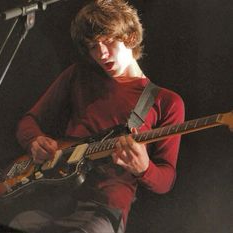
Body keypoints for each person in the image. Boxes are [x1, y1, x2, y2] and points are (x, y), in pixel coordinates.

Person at [9, 0, 185, 232]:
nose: (101, 54)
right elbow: (29, 121)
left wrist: (144, 168)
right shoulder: (78, 75)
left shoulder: (166, 101)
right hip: (52, 199)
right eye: (93, 46)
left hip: (103, 211)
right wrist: (34, 140)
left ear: (130, 37)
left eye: (108, 41)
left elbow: (166, 180)